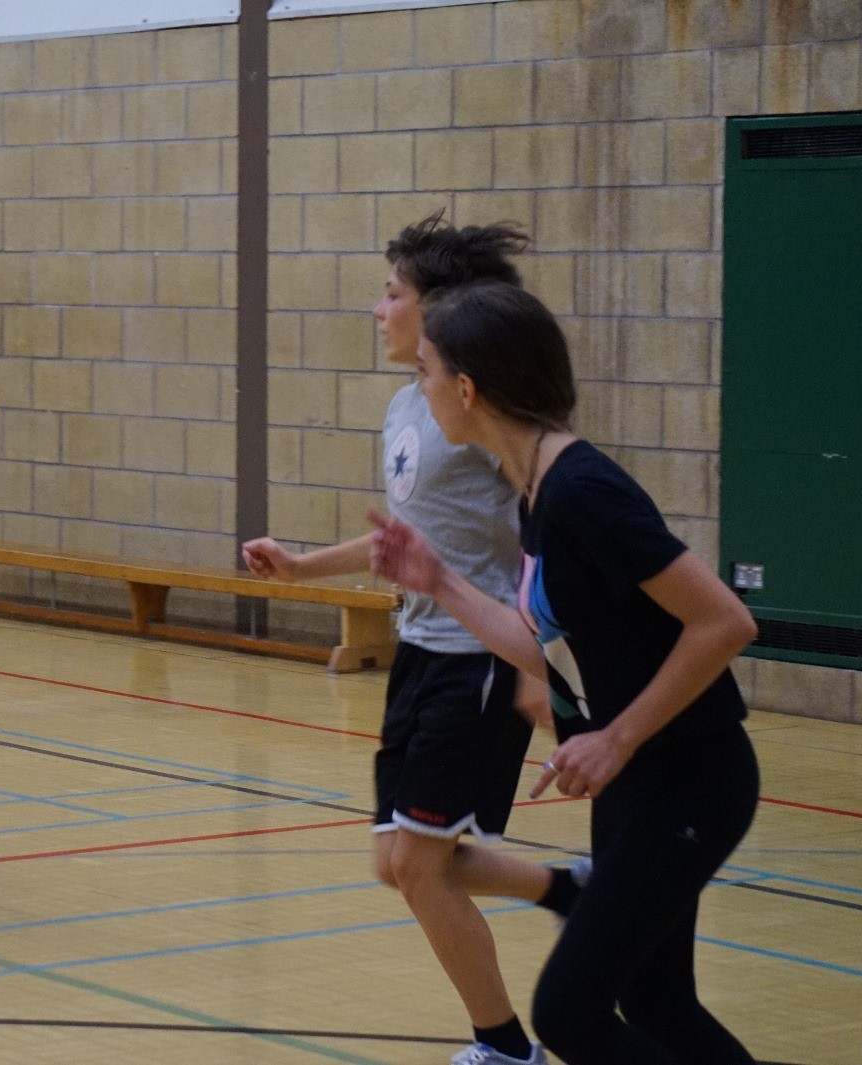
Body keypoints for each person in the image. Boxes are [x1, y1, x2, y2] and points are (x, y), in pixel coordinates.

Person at [369, 279, 761, 1065]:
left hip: (690, 779)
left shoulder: (584, 491)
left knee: (568, 1010)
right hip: (639, 783)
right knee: (656, 1001)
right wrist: (438, 580)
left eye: (428, 370)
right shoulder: (537, 493)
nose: (421, 387)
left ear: (467, 390)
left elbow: (725, 621)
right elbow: (536, 640)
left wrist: (615, 737)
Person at [241, 214, 586, 1065]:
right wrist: (303, 566)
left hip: (479, 660)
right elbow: (407, 540)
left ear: (438, 310)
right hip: (419, 650)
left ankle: (504, 1047)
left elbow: (545, 532)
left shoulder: (482, 411)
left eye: (392, 293)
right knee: (393, 861)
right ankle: (566, 887)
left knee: (420, 867)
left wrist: (537, 661)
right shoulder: (409, 402)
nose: (378, 308)